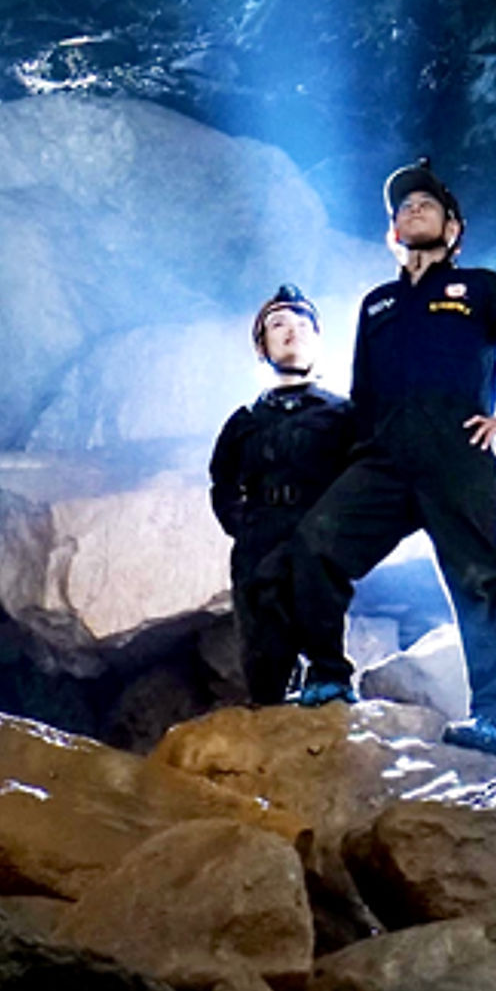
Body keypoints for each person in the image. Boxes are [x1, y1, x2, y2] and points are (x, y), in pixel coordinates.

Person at [284, 158, 496, 751]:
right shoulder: (377, 304)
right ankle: (330, 677)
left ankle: (492, 721)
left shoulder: (482, 289)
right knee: (315, 545)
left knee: (477, 584)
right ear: (392, 233)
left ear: (453, 229)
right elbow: (362, 392)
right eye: (403, 208)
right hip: (382, 459)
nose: (413, 211)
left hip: (456, 456)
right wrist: (344, 462)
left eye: (426, 205)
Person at [205, 283, 359, 708]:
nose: (292, 330)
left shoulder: (343, 415)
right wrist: (243, 526)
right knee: (262, 662)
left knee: (323, 641)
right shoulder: (246, 421)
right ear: (262, 345)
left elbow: (365, 478)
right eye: (278, 323)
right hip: (259, 543)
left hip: (316, 536)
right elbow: (222, 482)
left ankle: (331, 693)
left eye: (302, 322)